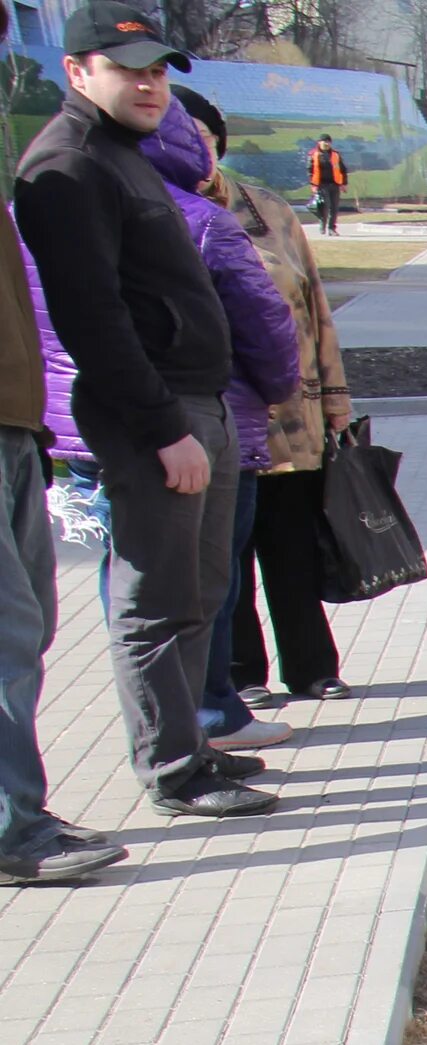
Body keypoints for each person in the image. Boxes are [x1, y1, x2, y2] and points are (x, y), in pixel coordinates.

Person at [17, 1, 275, 818]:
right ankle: (171, 769)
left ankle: (193, 743)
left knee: (198, 592)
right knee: (155, 601)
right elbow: (92, 316)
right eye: (129, 70)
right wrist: (164, 428)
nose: (149, 84)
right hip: (155, 417)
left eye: (159, 70)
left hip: (203, 403)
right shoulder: (69, 164)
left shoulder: (128, 157)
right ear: (77, 72)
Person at [137, 92, 299, 754]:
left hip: (106, 421)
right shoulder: (204, 220)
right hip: (207, 417)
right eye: (192, 135)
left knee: (146, 592)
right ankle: (203, 718)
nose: (204, 149)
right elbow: (267, 328)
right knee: (203, 582)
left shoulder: (55, 194)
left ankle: (193, 720)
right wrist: (280, 386)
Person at [196, 87, 355, 703]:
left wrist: (335, 402)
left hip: (293, 415)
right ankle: (240, 674)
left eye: (205, 137)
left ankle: (312, 666)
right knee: (226, 553)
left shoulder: (269, 209)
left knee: (291, 543)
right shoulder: (161, 211)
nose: (196, 148)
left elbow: (315, 306)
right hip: (219, 418)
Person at [0, 187, 122, 885]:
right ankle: (13, 826)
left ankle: (18, 807)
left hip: (19, 426)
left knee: (34, 626)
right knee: (8, 637)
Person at [307, 133, 344, 234]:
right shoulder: (313, 154)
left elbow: (342, 169)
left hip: (334, 184)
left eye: (328, 142)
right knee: (325, 206)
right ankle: (322, 225)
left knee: (334, 207)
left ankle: (332, 228)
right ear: (319, 142)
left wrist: (343, 183)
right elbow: (310, 170)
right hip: (321, 185)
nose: (326, 143)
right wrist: (313, 185)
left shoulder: (336, 154)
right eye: (324, 141)